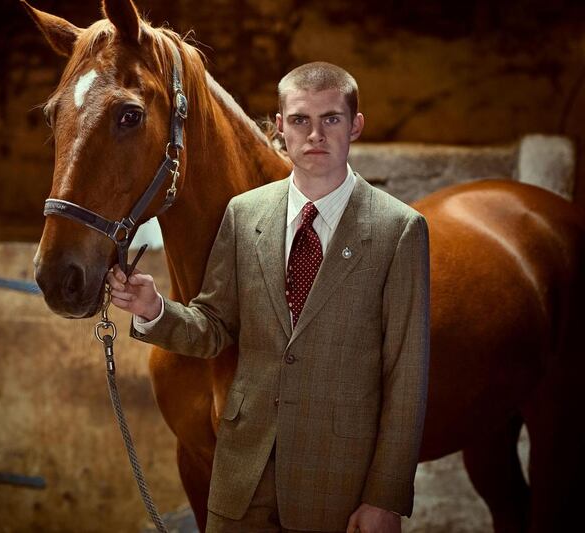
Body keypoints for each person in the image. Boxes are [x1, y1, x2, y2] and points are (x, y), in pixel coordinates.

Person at [107, 61, 430, 533]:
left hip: (337, 488)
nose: (315, 134)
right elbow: (215, 326)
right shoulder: (243, 215)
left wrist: (385, 499)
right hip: (240, 484)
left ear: (355, 125)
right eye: (300, 120)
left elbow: (406, 375)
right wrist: (154, 309)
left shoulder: (399, 229)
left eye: (331, 119)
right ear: (281, 127)